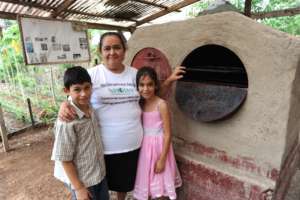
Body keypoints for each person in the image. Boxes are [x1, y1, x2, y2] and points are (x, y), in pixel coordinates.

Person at [59, 32, 185, 200]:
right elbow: (74, 97)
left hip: (134, 146)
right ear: (100, 51)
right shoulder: (93, 75)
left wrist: (169, 80)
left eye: (117, 47)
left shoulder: (135, 74)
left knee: (124, 185)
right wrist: (63, 105)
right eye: (107, 48)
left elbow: (151, 95)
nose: (112, 52)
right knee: (100, 188)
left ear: (125, 50)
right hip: (104, 149)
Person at [51, 66, 109, 200]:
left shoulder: (90, 107)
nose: (84, 93)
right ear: (67, 91)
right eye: (77, 89)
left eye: (87, 87)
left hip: (99, 174)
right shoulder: (67, 121)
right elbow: (64, 158)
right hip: (84, 182)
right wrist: (78, 187)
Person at [133, 67, 182, 200]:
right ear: (137, 87)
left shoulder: (161, 105)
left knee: (160, 184)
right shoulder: (141, 103)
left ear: (155, 85)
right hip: (145, 149)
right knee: (147, 184)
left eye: (150, 84)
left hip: (159, 149)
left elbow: (167, 134)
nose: (145, 89)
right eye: (142, 85)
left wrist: (162, 159)